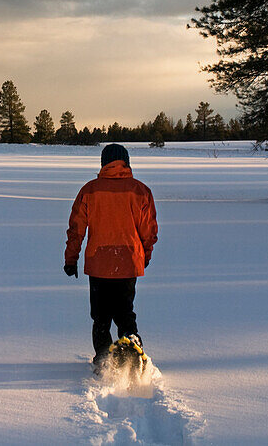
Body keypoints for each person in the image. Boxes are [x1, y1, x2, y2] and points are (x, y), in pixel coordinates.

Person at [64, 143, 158, 367]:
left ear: (103, 163)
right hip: (128, 261)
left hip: (99, 263)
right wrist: (145, 254)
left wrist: (71, 259)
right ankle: (131, 347)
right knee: (125, 311)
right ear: (126, 162)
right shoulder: (140, 190)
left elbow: (76, 229)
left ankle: (104, 359)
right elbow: (149, 230)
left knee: (101, 316)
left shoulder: (90, 190)